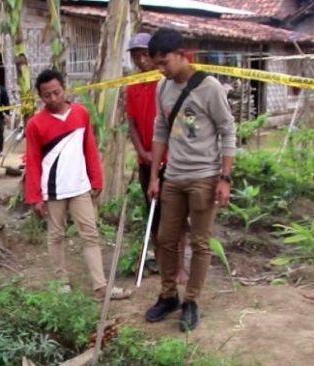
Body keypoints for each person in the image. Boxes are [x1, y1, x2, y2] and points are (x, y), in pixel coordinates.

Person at [144, 28, 236, 331]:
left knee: (199, 243)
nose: (161, 69)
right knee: (166, 239)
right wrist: (155, 175)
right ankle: (168, 295)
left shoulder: (209, 88)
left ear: (184, 55)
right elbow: (160, 131)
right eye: (156, 63)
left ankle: (191, 301)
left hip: (204, 178)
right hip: (173, 177)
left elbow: (228, 131)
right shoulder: (162, 89)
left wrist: (225, 178)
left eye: (165, 62)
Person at [25, 69, 132, 300]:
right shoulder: (35, 124)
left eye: (56, 92)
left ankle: (101, 287)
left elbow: (90, 148)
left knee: (90, 234)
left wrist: (97, 179)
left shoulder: (81, 114)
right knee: (56, 235)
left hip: (80, 188)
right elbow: (32, 162)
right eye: (47, 95)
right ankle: (61, 282)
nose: (52, 99)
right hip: (53, 191)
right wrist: (35, 197)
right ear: (40, 97)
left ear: (65, 89)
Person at [126, 33, 190, 284]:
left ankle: (181, 266)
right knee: (154, 215)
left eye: (144, 54)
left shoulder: (166, 83)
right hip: (146, 161)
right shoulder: (132, 86)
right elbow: (131, 122)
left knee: (178, 215)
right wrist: (143, 152)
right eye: (135, 55)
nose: (140, 60)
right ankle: (165, 266)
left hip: (173, 160)